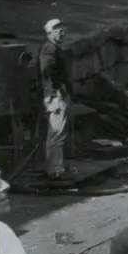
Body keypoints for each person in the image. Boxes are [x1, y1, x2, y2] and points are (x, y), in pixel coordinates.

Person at [38, 18, 76, 181]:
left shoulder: (52, 47)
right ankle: (55, 170)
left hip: (54, 93)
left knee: (55, 133)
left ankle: (54, 167)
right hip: (55, 95)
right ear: (50, 33)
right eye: (58, 31)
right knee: (56, 133)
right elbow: (46, 70)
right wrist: (57, 89)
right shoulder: (50, 49)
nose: (62, 33)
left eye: (63, 30)